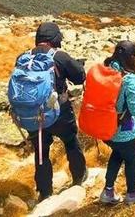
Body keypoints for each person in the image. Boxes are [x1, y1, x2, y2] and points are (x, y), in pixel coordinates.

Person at [21, 22, 87, 202]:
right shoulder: (60, 56)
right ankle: (78, 178)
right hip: (58, 112)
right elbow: (80, 77)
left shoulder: (24, 57)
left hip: (33, 115)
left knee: (41, 150)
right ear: (55, 39)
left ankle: (45, 192)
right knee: (71, 141)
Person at [99, 41, 135, 206]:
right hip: (122, 130)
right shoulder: (128, 78)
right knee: (131, 158)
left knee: (117, 154)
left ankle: (108, 191)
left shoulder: (106, 69)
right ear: (131, 57)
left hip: (104, 127)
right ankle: (132, 193)